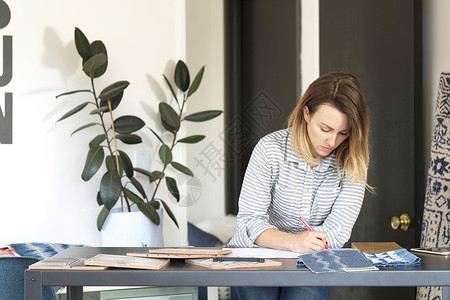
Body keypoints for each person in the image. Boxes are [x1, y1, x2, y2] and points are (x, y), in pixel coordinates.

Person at [227, 72, 370, 300]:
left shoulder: (352, 162)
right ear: (306, 113)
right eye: (325, 129)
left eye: (343, 133)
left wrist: (306, 245)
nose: (332, 142)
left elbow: (337, 231)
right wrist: (293, 242)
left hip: (314, 260)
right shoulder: (270, 150)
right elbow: (250, 221)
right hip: (255, 254)